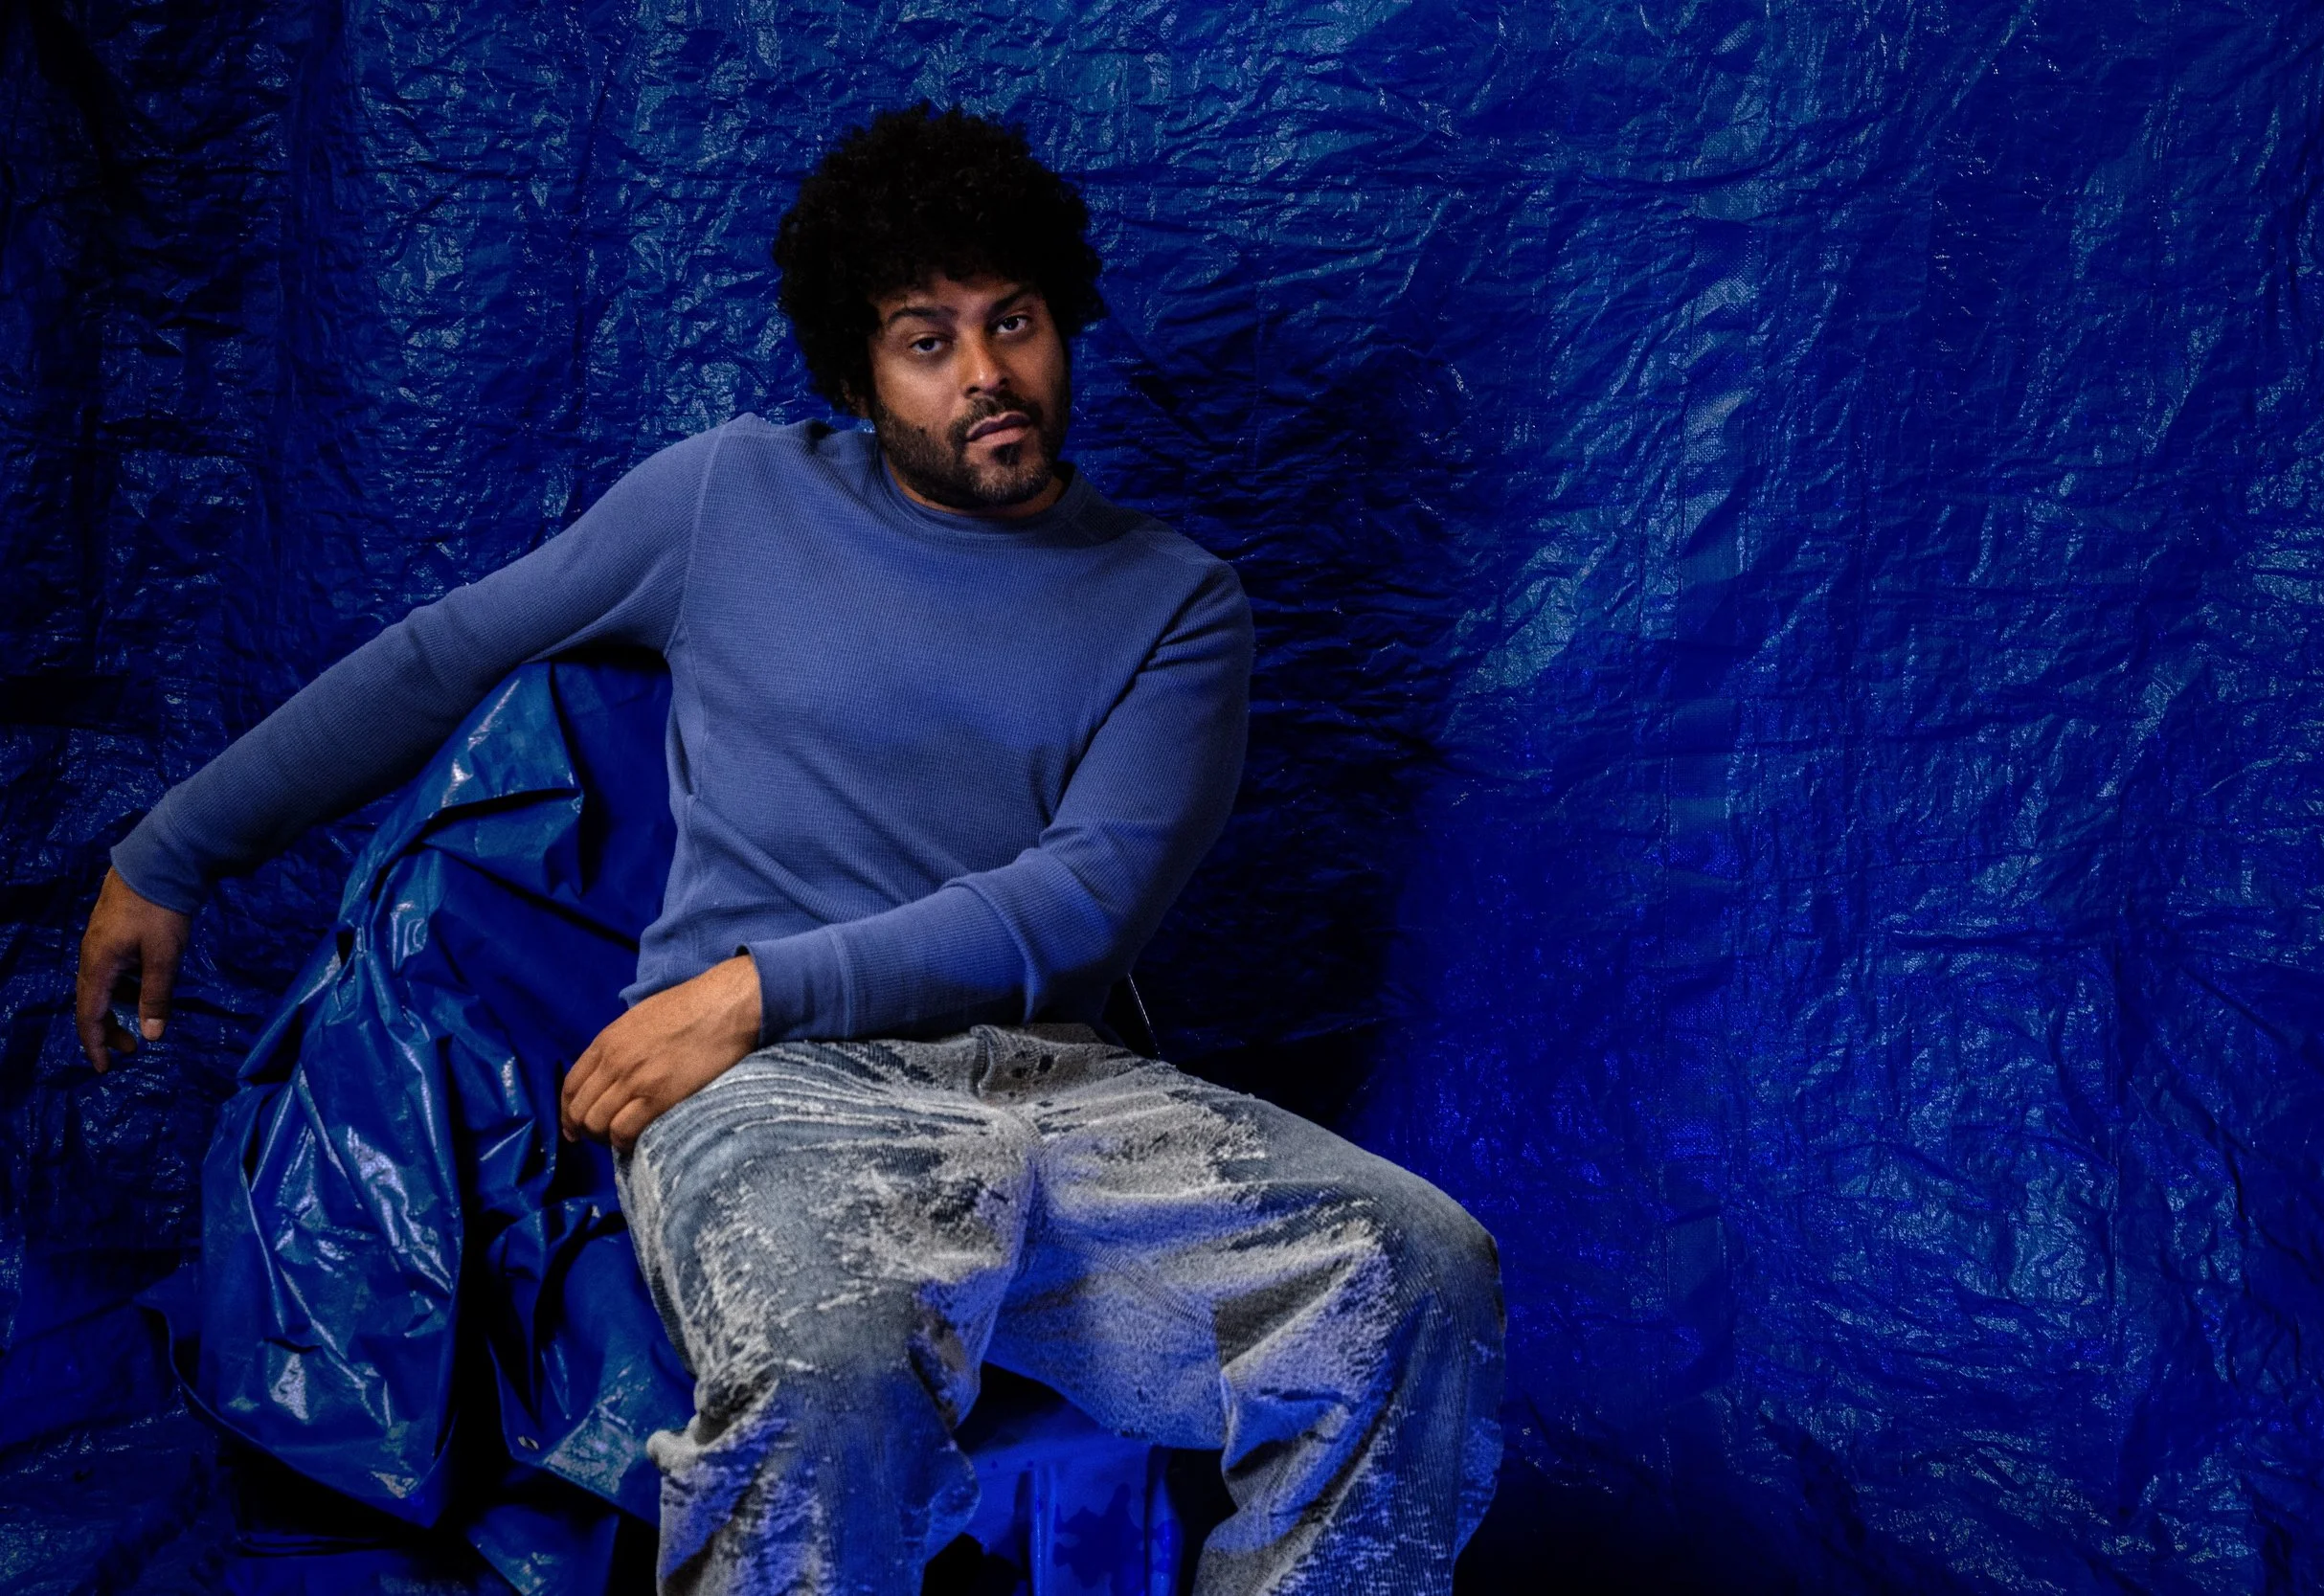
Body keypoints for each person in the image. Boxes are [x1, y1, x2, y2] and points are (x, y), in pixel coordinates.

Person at [74, 103, 1503, 1596]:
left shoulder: (1176, 602)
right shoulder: (729, 500)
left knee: (1416, 1267)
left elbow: (1079, 907)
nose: (987, 376)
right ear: (858, 374)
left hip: (1056, 1089)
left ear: (1062, 319)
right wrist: (173, 849)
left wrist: (752, 985)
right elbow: (445, 655)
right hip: (774, 1106)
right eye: (926, 340)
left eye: (1011, 322)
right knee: (825, 1363)